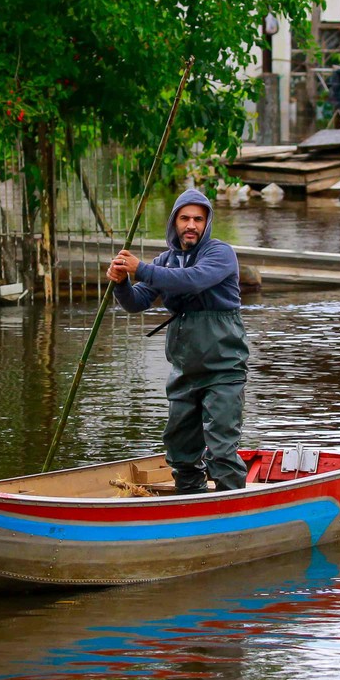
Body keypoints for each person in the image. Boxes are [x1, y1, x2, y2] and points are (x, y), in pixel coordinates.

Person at [108, 189, 250, 493]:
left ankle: (235, 510)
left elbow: (193, 280)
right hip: (184, 370)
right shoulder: (166, 260)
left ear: (207, 223)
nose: (191, 225)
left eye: (198, 219)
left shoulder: (220, 253)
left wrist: (142, 268)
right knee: (180, 451)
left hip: (223, 369)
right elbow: (137, 302)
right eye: (184, 218)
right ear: (174, 222)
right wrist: (121, 283)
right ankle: (191, 503)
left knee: (222, 451)